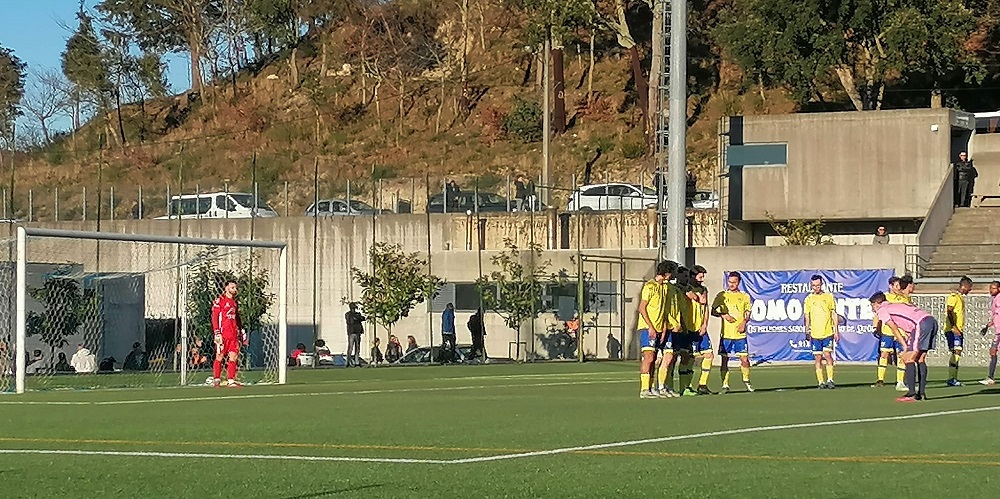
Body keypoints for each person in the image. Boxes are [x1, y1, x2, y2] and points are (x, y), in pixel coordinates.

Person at [870, 292, 939, 402]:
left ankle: (911, 393)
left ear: (877, 304)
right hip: (930, 321)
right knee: (920, 359)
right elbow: (906, 321)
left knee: (908, 358)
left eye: (872, 305)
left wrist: (904, 345)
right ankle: (921, 393)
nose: (873, 308)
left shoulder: (882, 310)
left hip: (920, 324)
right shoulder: (896, 305)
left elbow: (894, 328)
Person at [711, 271, 754, 393]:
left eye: (734, 282)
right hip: (726, 334)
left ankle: (746, 381)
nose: (731, 284)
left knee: (744, 359)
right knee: (725, 359)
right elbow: (713, 311)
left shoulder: (745, 296)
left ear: (739, 282)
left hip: (740, 334)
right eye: (730, 282)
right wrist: (724, 315)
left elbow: (748, 313)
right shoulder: (722, 295)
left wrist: (744, 322)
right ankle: (725, 384)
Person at [637, 261, 670, 399]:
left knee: (654, 358)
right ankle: (644, 389)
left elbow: (662, 311)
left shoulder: (663, 288)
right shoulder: (649, 286)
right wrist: (650, 326)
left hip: (658, 329)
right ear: (666, 273)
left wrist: (662, 329)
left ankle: (650, 388)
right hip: (647, 328)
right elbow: (642, 307)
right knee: (649, 357)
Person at [872, 276, 910, 390]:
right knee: (884, 354)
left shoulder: (904, 299)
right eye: (897, 285)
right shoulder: (884, 297)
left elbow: (907, 315)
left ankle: (900, 382)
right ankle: (880, 379)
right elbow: (877, 314)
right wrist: (875, 327)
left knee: (901, 356)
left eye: (900, 286)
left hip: (900, 331)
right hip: (887, 331)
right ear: (891, 286)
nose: (899, 288)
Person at [804, 275, 839, 389]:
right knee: (818, 358)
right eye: (814, 286)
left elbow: (834, 314)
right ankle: (820, 382)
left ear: (821, 284)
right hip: (815, 334)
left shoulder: (828, 297)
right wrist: (807, 330)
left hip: (827, 332)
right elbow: (807, 316)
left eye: (818, 285)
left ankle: (830, 379)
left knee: (828, 355)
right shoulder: (809, 299)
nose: (816, 288)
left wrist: (836, 330)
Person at [655, 262, 683, 398]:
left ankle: (665, 386)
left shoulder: (673, 288)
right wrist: (667, 325)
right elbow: (663, 309)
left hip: (675, 327)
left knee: (671, 357)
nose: (675, 274)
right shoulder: (661, 287)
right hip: (667, 327)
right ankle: (659, 387)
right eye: (674, 271)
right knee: (664, 357)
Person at [211, 279, 246, 388]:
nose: (234, 290)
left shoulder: (234, 302)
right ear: (226, 288)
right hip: (222, 334)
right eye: (232, 287)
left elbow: (237, 317)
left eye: (235, 288)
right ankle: (217, 379)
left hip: (233, 334)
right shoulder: (220, 300)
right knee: (219, 356)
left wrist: (241, 329)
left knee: (233, 356)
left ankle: (231, 380)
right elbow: (214, 317)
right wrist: (217, 332)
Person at [680, 266, 709, 396]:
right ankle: (685, 387)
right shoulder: (686, 289)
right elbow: (691, 297)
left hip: (700, 327)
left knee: (709, 355)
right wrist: (696, 297)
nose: (702, 280)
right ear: (693, 276)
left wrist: (705, 324)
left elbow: (706, 307)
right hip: (689, 327)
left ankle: (702, 385)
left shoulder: (703, 289)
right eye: (700, 277)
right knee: (688, 358)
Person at [945, 276, 973, 387]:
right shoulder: (953, 296)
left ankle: (953, 378)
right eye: (969, 288)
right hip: (953, 330)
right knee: (956, 351)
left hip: (958, 330)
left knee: (957, 352)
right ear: (964, 286)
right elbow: (949, 311)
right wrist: (954, 327)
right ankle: (952, 378)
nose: (970, 290)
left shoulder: (960, 298)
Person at [979, 281, 1000, 386]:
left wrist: (997, 333)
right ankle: (990, 377)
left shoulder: (999, 298)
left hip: (999, 332)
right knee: (993, 352)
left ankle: (991, 377)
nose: (991, 290)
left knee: (993, 351)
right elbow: (996, 315)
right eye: (990, 288)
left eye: (994, 288)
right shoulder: (995, 298)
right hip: (998, 329)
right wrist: (989, 325)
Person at [345, 303, 366, 368]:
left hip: (357, 332)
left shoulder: (357, 314)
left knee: (357, 347)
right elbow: (350, 321)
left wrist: (357, 318)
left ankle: (357, 361)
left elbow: (362, 318)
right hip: (352, 332)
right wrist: (357, 318)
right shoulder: (348, 314)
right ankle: (348, 361)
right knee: (350, 347)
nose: (354, 309)